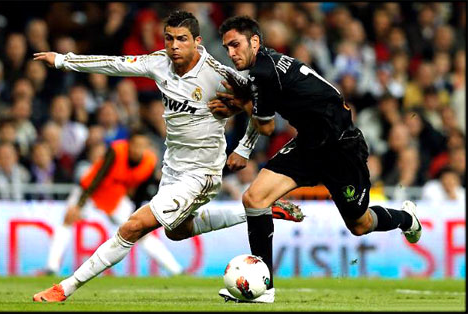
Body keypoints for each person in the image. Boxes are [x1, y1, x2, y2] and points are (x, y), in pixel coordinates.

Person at [32, 11, 303, 303]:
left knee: (133, 226)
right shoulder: (159, 62)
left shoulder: (220, 75)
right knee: (177, 231)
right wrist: (63, 60)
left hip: (202, 172)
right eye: (170, 38)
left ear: (197, 42)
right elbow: (115, 63)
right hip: (172, 167)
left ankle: (66, 287)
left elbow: (261, 109)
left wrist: (244, 148)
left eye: (182, 39)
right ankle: (259, 211)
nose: (174, 46)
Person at [215, 16, 423, 303]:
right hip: (309, 145)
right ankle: (265, 287)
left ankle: (406, 218)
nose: (231, 53)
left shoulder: (264, 73)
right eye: (227, 47)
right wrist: (246, 118)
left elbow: (266, 126)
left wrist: (244, 108)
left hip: (341, 149)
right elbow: (263, 110)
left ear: (254, 41)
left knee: (360, 225)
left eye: (235, 45)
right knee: (254, 199)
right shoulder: (266, 65)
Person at [39, 129, 183, 276]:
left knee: (140, 230)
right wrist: (80, 204)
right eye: (136, 145)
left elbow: (141, 190)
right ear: (129, 144)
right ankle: (52, 267)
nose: (138, 150)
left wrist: (135, 210)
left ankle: (175, 270)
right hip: (90, 191)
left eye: (142, 146)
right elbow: (98, 176)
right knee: (68, 219)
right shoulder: (116, 151)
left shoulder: (149, 162)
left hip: (114, 196)